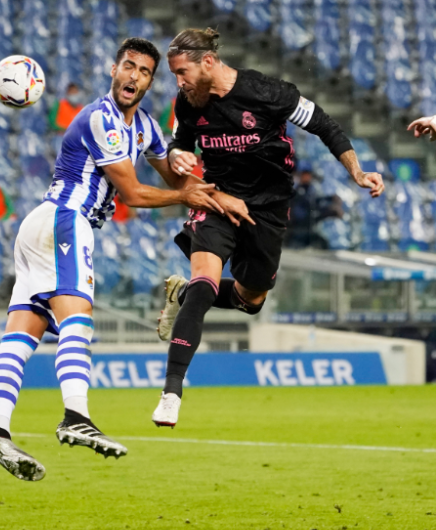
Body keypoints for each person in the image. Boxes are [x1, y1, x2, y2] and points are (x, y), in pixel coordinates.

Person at [0, 37, 249, 481]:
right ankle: (76, 416)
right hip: (67, 219)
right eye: (129, 66)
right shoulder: (100, 119)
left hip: (41, 227)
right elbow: (134, 193)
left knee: (23, 333)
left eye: (144, 72)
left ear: (149, 82)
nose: (135, 77)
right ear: (113, 69)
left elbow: (174, 172)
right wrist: (185, 195)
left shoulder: (143, 126)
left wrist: (204, 178)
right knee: (78, 321)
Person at [152, 28, 385, 427]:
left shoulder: (268, 92)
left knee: (251, 300)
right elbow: (179, 144)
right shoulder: (188, 103)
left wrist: (357, 171)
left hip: (269, 208)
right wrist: (177, 157)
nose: (179, 81)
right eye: (174, 75)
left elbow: (324, 124)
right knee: (206, 281)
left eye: (182, 72)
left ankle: (182, 294)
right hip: (217, 200)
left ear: (208, 62)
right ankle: (171, 391)